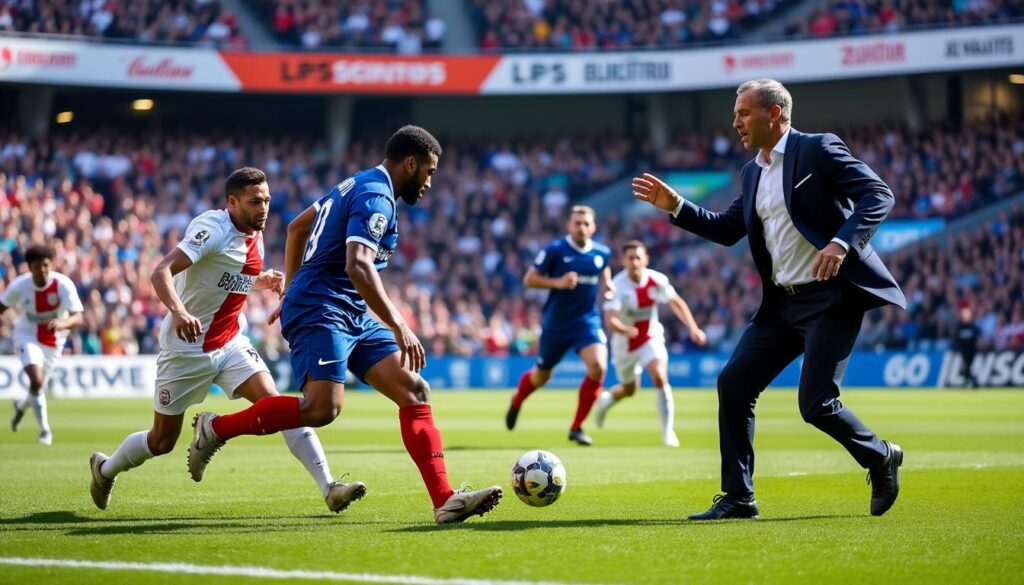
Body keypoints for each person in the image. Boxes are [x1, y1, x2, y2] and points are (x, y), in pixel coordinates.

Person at [185, 126, 502, 525]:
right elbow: (357, 264)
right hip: (322, 308)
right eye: (429, 171)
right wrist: (399, 322)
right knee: (322, 409)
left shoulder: (357, 183)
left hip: (346, 309)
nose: (429, 181)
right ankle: (217, 428)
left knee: (415, 390)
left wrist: (292, 286)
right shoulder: (376, 196)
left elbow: (297, 227)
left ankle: (445, 500)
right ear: (410, 163)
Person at [632, 78, 906, 519]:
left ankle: (880, 456)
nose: (735, 122)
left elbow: (878, 194)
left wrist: (841, 243)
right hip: (781, 306)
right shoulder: (752, 171)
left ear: (774, 114)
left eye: (743, 113)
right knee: (734, 384)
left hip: (830, 300)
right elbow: (726, 229)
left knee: (816, 405)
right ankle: (739, 498)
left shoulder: (818, 149)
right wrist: (677, 205)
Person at [88, 168, 360, 514]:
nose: (263, 208)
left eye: (266, 200)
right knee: (162, 440)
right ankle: (105, 469)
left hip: (230, 342)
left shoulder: (254, 229)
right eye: (254, 202)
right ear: (232, 203)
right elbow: (160, 272)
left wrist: (261, 280)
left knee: (278, 407)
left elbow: (225, 274)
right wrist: (179, 311)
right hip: (186, 349)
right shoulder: (212, 229)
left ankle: (329, 486)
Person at [505, 205, 614, 446]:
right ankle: (518, 399)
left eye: (586, 223)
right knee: (541, 377)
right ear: (569, 225)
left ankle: (577, 427)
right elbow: (529, 279)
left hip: (587, 321)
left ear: (593, 227)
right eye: (577, 223)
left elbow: (604, 272)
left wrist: (608, 287)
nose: (582, 227)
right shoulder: (556, 250)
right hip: (556, 323)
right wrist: (559, 282)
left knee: (598, 367)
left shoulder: (602, 253)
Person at [594, 240, 707, 447]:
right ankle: (607, 401)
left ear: (645, 259)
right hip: (624, 344)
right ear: (623, 260)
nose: (635, 262)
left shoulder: (657, 279)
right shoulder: (617, 286)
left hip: (650, 336)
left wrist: (693, 328)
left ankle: (668, 432)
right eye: (630, 258)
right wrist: (625, 329)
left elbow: (676, 302)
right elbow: (610, 320)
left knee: (659, 376)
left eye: (638, 257)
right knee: (630, 390)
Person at [1, 245, 84, 445]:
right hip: (26, 335)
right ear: (30, 268)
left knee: (37, 385)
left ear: (52, 264)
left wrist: (63, 323)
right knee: (36, 380)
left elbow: (79, 317)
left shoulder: (63, 284)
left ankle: (21, 406)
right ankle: (45, 432)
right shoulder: (19, 286)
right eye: (38, 267)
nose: (43, 270)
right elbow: (1, 307)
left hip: (55, 340)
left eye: (46, 265)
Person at [952, 305, 980, 389]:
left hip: (972, 351)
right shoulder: (959, 327)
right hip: (963, 352)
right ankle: (973, 382)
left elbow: (977, 338)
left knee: (966, 368)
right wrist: (956, 349)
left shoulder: (973, 327)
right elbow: (956, 340)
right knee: (965, 369)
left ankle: (968, 382)